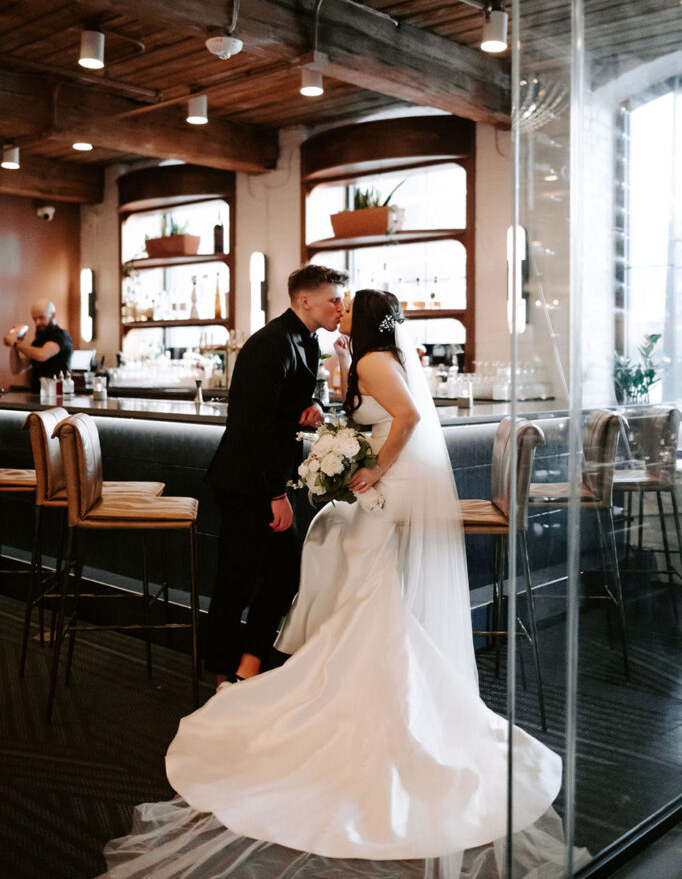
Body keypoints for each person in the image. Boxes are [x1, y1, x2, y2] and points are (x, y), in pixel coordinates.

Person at [99, 289, 583, 879]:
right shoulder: (369, 360)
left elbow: (405, 419)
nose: (339, 312)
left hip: (390, 487)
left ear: (367, 320)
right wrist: (328, 427)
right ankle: (352, 671)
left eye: (347, 306)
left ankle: (348, 682)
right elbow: (381, 419)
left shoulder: (373, 361)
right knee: (339, 546)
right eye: (336, 303)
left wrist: (373, 467)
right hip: (386, 485)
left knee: (343, 548)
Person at [203, 263, 349, 687]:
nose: (340, 307)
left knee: (283, 574)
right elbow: (253, 426)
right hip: (246, 481)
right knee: (237, 580)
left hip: (266, 478)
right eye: (334, 298)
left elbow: (280, 409)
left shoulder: (304, 341)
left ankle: (249, 663)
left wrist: (311, 409)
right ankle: (221, 673)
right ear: (305, 300)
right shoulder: (272, 344)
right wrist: (274, 494)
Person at [3, 299, 73, 393]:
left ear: (52, 315)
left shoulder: (61, 336)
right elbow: (17, 369)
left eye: (41, 318)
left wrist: (16, 343)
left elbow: (42, 355)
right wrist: (15, 345)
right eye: (34, 319)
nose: (37, 323)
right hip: (37, 396)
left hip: (57, 396)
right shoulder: (38, 341)